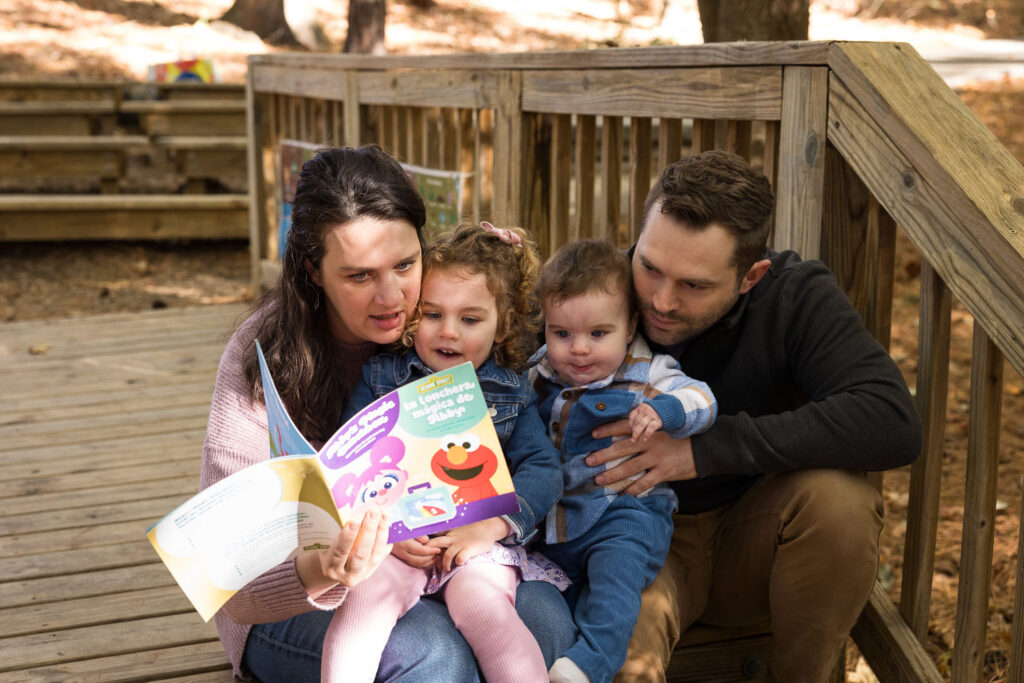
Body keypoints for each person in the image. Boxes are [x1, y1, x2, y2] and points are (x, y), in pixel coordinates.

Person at [198, 146, 574, 682]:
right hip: (294, 596)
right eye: (359, 276)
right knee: (434, 655)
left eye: (404, 264)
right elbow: (233, 579)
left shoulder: (458, 326)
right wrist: (328, 564)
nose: (392, 297)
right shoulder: (263, 357)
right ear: (313, 271)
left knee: (545, 624)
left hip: (447, 559)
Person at [580, 150, 922, 682]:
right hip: (638, 545)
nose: (661, 301)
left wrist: (704, 449)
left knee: (841, 502)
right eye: (649, 267)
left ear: (750, 276)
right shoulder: (595, 296)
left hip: (757, 541)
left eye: (694, 285)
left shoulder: (793, 296)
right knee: (620, 657)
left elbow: (891, 418)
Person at [321, 221, 569, 683]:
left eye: (470, 319)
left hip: (473, 545)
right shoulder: (381, 379)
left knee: (482, 606)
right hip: (399, 546)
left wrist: (490, 528)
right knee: (363, 602)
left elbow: (542, 468)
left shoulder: (509, 391)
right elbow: (350, 465)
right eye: (432, 314)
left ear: (503, 325)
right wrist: (389, 535)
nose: (448, 332)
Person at [529, 239, 718, 683]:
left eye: (598, 334)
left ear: (629, 326)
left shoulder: (649, 371)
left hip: (626, 514)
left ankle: (594, 662)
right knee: (559, 593)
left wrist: (663, 411)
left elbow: (702, 400)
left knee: (614, 583)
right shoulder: (538, 373)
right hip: (558, 523)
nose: (578, 350)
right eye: (562, 334)